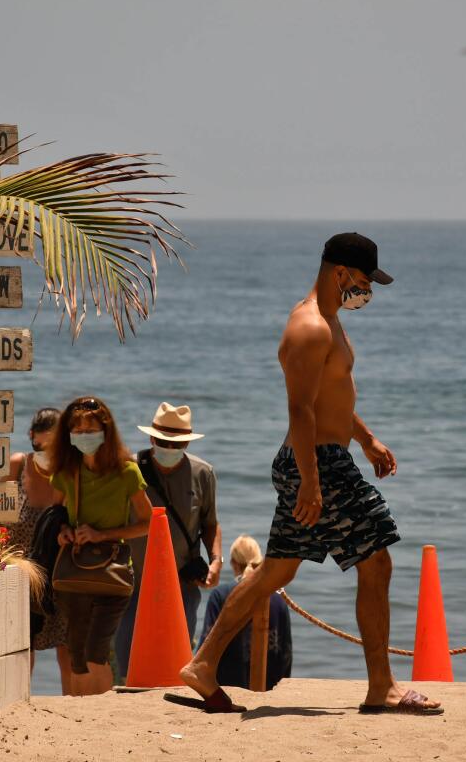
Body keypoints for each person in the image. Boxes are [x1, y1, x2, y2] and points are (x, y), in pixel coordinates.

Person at [181, 232, 442, 715]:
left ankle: (202, 665)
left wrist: (366, 440)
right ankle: (381, 687)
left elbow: (330, 398)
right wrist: (312, 481)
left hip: (324, 457)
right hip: (317, 462)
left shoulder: (331, 322)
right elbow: (300, 410)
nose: (367, 292)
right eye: (363, 282)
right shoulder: (310, 327)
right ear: (339, 273)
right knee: (376, 561)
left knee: (276, 571)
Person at [49, 395, 152, 696]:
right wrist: (64, 532)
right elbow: (56, 517)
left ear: (106, 431)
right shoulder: (67, 472)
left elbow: (147, 523)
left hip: (114, 572)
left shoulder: (127, 472)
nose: (84, 436)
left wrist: (101, 535)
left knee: (97, 650)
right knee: (76, 651)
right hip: (74, 572)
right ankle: (80, 712)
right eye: (77, 431)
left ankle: (101, 710)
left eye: (90, 430)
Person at [114, 402, 222, 679]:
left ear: (187, 441)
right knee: (129, 661)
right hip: (132, 583)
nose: (170, 449)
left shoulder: (203, 473)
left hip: (181, 584)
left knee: (178, 662)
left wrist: (216, 561)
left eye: (177, 444)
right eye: (164, 442)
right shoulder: (130, 470)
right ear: (151, 438)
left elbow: (210, 524)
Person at [0, 407, 73, 686]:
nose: (46, 451)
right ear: (31, 436)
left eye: (54, 445)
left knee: (66, 648)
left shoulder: (68, 474)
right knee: (21, 645)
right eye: (41, 443)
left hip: (58, 571)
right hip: (22, 572)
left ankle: (72, 706)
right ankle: (21, 703)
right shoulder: (17, 465)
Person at [198, 535, 292, 691]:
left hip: (226, 687)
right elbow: (285, 653)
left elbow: (206, 643)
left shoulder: (221, 595)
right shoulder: (278, 600)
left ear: (234, 564)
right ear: (260, 562)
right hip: (269, 688)